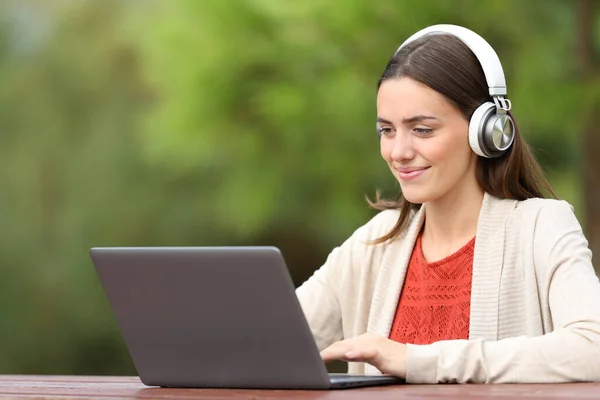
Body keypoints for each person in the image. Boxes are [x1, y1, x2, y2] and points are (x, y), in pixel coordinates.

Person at [295, 24, 600, 384]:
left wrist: (419, 360)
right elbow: (264, 340)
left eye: (422, 129)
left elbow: (592, 347)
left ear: (486, 131)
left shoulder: (541, 226)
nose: (399, 152)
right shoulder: (374, 243)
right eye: (387, 130)